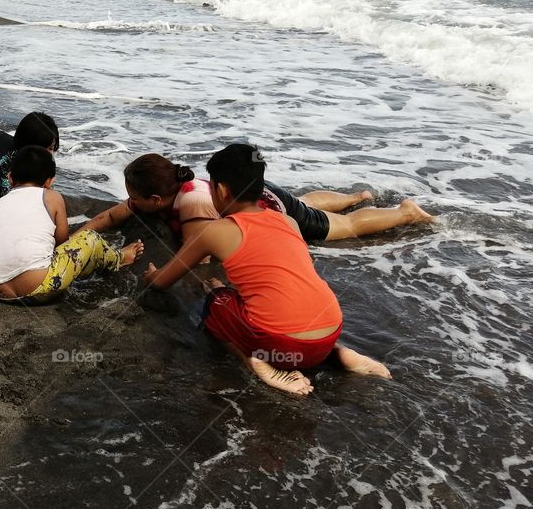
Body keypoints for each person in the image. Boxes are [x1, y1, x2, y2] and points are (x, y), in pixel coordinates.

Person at [143, 144, 392, 395]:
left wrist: (152, 275)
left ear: (220, 190)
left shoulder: (213, 231)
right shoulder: (288, 221)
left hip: (281, 347)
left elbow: (163, 281)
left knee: (216, 303)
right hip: (330, 331)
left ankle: (254, 362)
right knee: (273, 302)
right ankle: (340, 354)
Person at [76, 153, 434, 245]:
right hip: (259, 192)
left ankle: (404, 213)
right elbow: (110, 217)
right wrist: (74, 237)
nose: (129, 202)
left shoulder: (192, 204)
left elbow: (199, 252)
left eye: (133, 197)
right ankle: (357, 195)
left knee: (339, 225)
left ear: (156, 198)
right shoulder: (165, 191)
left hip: (270, 208)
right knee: (302, 200)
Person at [0, 146, 144, 304]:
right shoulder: (52, 197)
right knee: (90, 238)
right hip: (40, 288)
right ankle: (119, 258)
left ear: (10, 177)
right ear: (50, 181)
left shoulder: (0, 203)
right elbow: (62, 243)